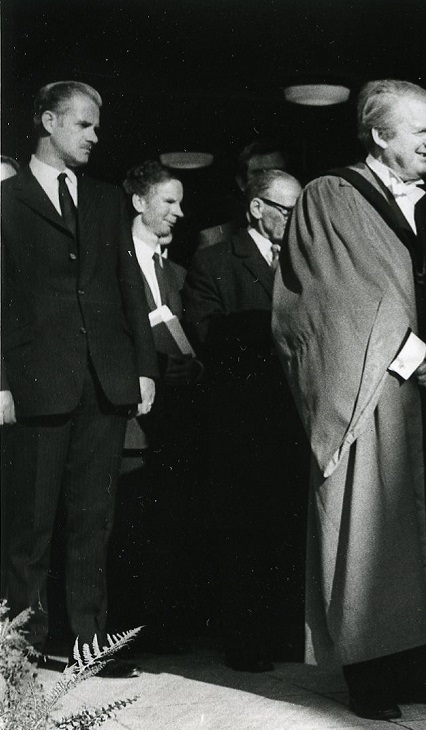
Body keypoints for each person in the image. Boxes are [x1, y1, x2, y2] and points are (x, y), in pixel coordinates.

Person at [272, 79, 426, 721]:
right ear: (379, 135)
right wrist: (411, 358)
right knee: (371, 531)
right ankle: (368, 672)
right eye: (420, 128)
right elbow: (334, 301)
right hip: (370, 394)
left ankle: (414, 663)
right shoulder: (330, 197)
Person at [0, 81, 156, 679]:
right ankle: (20, 650)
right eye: (84, 125)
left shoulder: (107, 199)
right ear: (48, 122)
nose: (95, 136)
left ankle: (89, 645)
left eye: (96, 125)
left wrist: (142, 367)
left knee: (94, 521)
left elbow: (128, 287)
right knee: (29, 527)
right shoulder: (7, 200)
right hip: (36, 384)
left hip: (105, 384)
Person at [183, 168, 309, 672]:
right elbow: (206, 333)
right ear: (257, 208)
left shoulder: (307, 262)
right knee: (244, 532)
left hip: (297, 417)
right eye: (288, 209)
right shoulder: (215, 260)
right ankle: (246, 641)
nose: (296, 220)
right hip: (244, 423)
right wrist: (277, 333)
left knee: (288, 528)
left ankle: (284, 636)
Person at [109, 161, 203, 653]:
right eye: (169, 201)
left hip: (169, 423)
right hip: (123, 422)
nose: (179, 212)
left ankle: (153, 631)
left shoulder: (181, 274)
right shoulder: (105, 260)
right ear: (139, 201)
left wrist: (189, 367)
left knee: (159, 528)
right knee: (121, 527)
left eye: (181, 202)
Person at [196, 138, 290, 250]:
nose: (271, 182)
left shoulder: (305, 233)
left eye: (278, 173)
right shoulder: (215, 241)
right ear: (242, 183)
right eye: (260, 174)